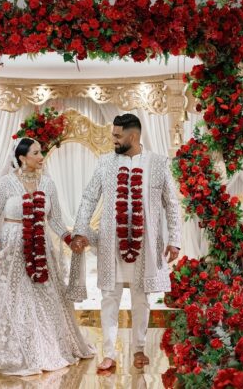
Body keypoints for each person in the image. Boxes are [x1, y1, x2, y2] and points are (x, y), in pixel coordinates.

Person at [0, 137, 94, 375]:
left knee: (43, 298)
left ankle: (45, 347)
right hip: (12, 249)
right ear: (22, 157)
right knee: (14, 299)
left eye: (41, 152)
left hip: (41, 247)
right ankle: (14, 350)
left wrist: (70, 240)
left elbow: (57, 220)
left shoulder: (48, 184)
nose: (41, 157)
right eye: (37, 153)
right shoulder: (5, 184)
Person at [68, 114, 181, 370]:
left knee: (141, 299)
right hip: (112, 244)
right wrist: (80, 230)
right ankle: (109, 352)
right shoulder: (106, 163)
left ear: (133, 136)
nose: (114, 140)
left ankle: (139, 349)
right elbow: (88, 198)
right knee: (109, 297)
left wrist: (174, 240)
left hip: (145, 245)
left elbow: (171, 204)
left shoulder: (158, 163)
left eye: (117, 136)